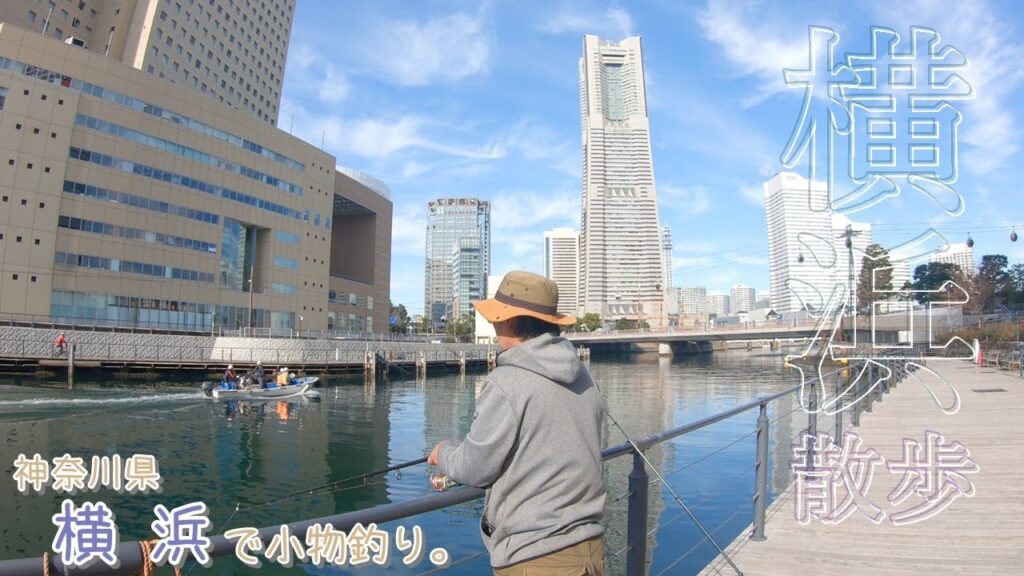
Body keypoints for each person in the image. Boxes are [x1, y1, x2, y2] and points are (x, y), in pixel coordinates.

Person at [428, 271, 606, 575]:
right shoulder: (582, 374)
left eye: (498, 316)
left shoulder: (506, 382)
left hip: (536, 557)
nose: (495, 323)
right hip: (590, 549)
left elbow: (474, 468)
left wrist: (442, 452)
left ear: (510, 320)